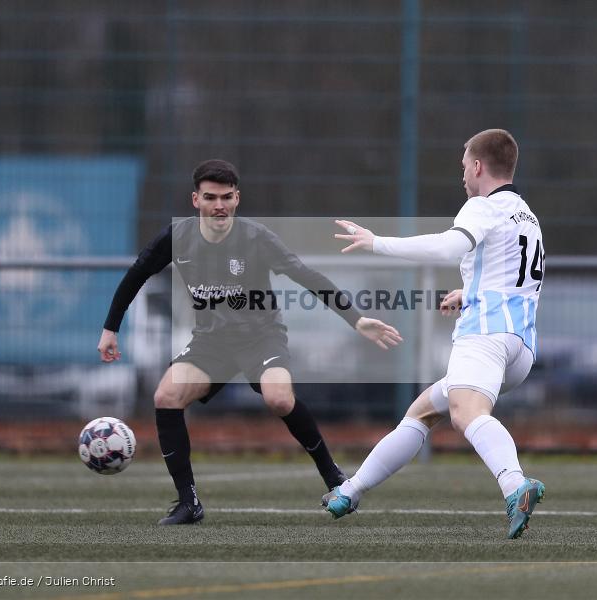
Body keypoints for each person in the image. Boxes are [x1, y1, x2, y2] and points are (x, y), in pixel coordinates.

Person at [98, 159, 402, 525]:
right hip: (211, 343)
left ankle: (334, 476)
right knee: (165, 397)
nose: (219, 205)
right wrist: (110, 328)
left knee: (279, 399)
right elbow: (136, 275)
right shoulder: (177, 238)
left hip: (261, 338)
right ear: (196, 200)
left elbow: (305, 275)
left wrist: (356, 319)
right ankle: (188, 503)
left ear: (237, 198)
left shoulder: (256, 238)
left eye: (226, 197)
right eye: (210, 197)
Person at [322, 129, 546, 539]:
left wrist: (377, 244)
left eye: (464, 166)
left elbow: (448, 248)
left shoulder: (482, 206)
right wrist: (469, 292)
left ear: (478, 166)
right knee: (423, 411)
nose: (462, 175)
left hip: (486, 337)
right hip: (521, 346)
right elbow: (511, 278)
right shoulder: (526, 215)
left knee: (466, 413)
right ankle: (349, 492)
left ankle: (516, 486)